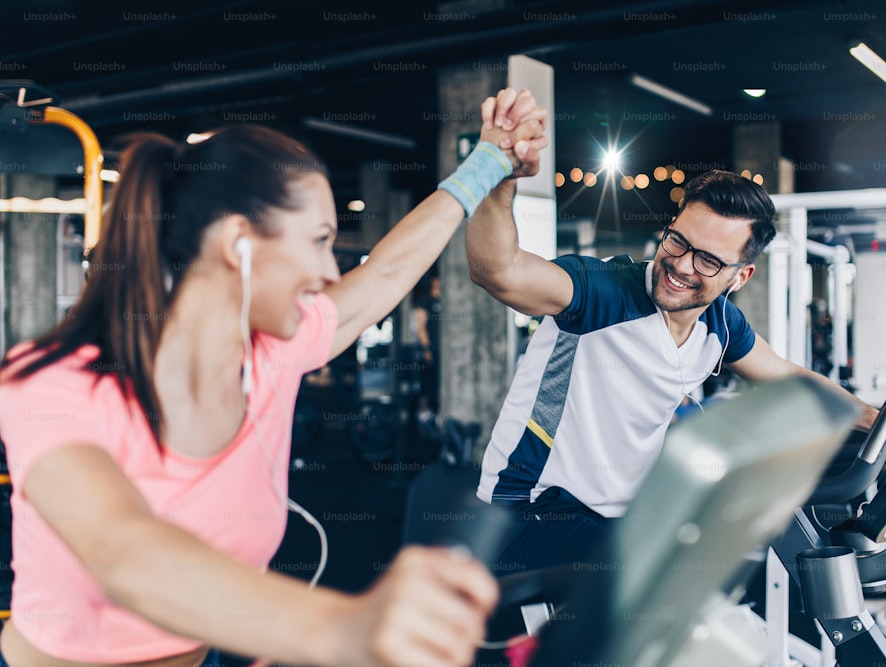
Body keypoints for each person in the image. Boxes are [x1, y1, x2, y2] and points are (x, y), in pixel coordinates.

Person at [0, 88, 546, 667]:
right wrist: (345, 628)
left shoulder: (274, 349)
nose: (329, 272)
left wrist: (491, 159)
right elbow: (124, 553)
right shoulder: (55, 383)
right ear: (239, 243)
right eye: (318, 242)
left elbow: (388, 270)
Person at [467, 169, 886, 571]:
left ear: (739, 277)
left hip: (621, 512)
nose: (681, 265)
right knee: (672, 579)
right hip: (530, 511)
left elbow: (786, 375)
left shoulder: (719, 324)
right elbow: (498, 271)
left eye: (708, 260)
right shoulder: (601, 292)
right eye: (678, 241)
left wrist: (885, 422)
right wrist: (502, 173)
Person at [413, 275, 442, 418]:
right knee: (428, 386)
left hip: (445, 352)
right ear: (433, 281)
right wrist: (426, 349)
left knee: (439, 386)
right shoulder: (425, 300)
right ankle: (424, 418)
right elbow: (420, 327)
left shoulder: (447, 300)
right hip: (431, 351)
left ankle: (437, 418)